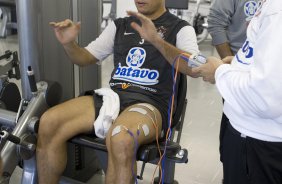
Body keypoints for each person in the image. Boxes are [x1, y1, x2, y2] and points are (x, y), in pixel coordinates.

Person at [36, 0, 199, 183]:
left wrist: (156, 40)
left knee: (121, 137)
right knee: (49, 122)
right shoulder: (120, 25)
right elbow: (84, 58)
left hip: (150, 103)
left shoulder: (181, 28)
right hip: (114, 99)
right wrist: (69, 43)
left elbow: (193, 69)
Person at [194, 0, 282, 183]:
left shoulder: (277, 11)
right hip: (251, 136)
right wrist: (238, 63)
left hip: (258, 142)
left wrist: (219, 72)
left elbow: (264, 97)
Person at [207, 0, 261, 163]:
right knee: (235, 133)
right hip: (239, 70)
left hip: (268, 68)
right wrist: (232, 64)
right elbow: (216, 22)